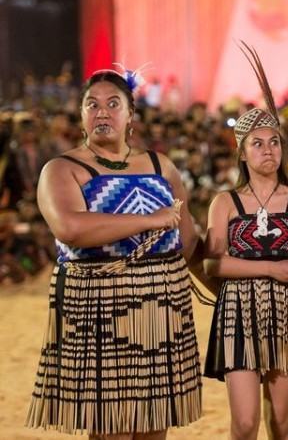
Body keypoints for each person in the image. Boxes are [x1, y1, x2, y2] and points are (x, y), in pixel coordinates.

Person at [26, 69, 203, 438]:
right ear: (80, 115)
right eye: (92, 104)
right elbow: (71, 228)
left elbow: (188, 242)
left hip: (162, 311)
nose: (102, 112)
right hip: (99, 311)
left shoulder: (161, 166)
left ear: (130, 114)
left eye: (113, 104)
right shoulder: (61, 169)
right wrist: (148, 221)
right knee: (113, 428)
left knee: (155, 427)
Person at [203, 45, 288, 440]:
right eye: (257, 143)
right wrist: (270, 268)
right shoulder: (225, 203)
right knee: (245, 422)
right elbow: (213, 264)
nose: (268, 150)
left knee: (283, 423)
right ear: (241, 152)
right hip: (238, 313)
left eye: (274, 142)